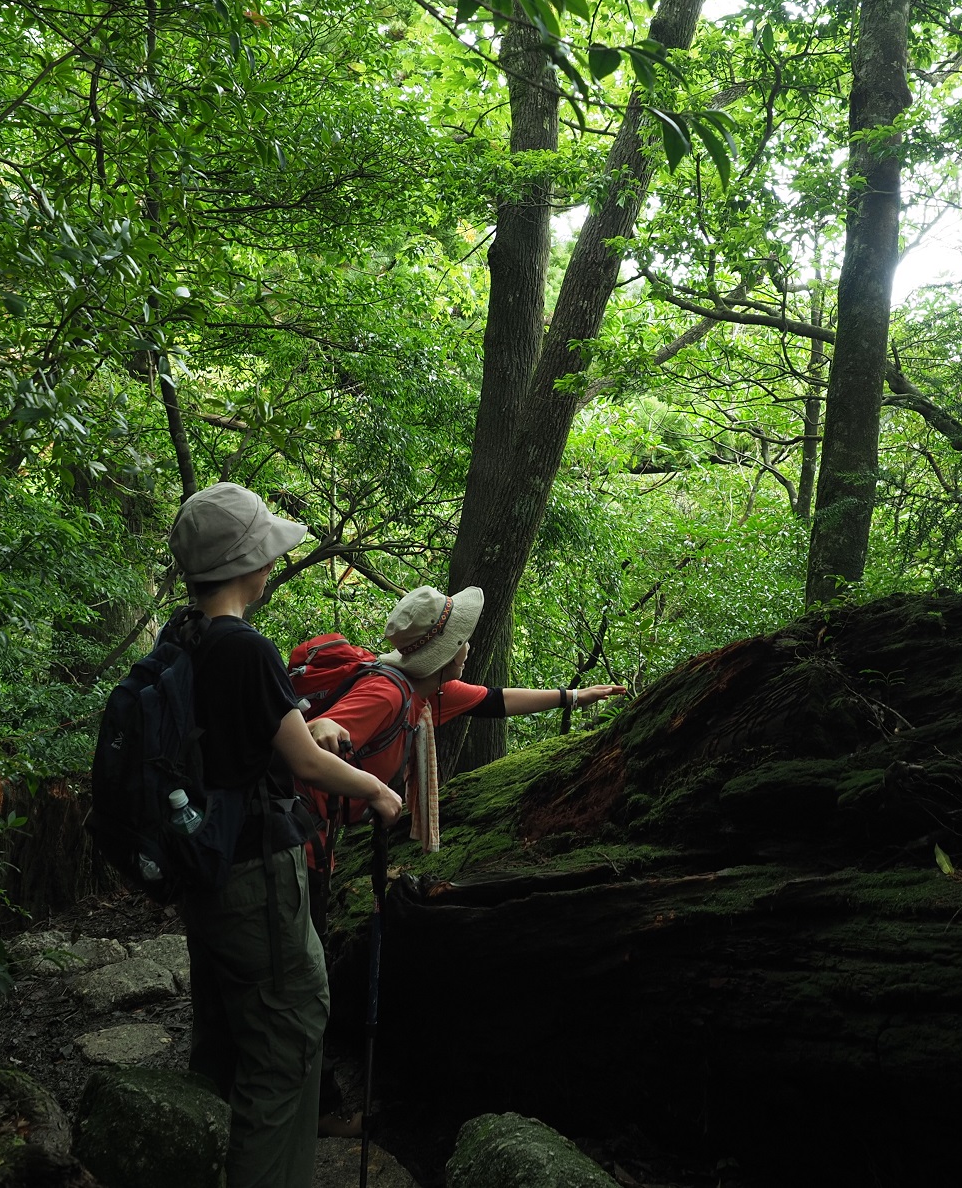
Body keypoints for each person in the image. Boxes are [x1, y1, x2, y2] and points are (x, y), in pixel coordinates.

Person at [167, 481, 402, 1188]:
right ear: (247, 563)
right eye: (267, 551)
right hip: (255, 875)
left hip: (203, 863)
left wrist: (309, 723)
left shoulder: (185, 635)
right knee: (288, 1033)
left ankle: (192, 1157)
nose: (273, 564)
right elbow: (305, 763)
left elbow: (253, 734)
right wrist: (378, 790)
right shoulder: (247, 647)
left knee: (222, 1031)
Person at [299, 584, 624, 869]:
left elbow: (496, 701)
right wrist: (373, 786)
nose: (470, 647)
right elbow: (312, 740)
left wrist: (577, 696)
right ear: (447, 653)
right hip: (295, 834)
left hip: (317, 837)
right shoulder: (387, 694)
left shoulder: (427, 692)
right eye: (463, 640)